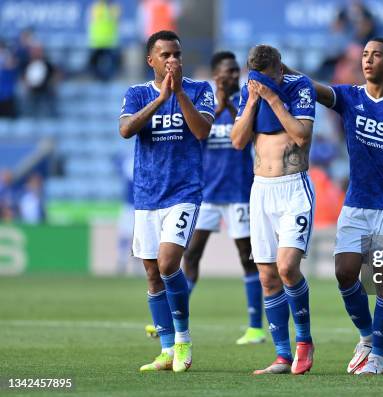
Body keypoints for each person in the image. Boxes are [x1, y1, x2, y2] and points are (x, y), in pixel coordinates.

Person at [286, 37, 383, 375]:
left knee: (382, 281)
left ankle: (378, 356)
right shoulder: (351, 97)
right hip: (355, 205)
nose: (368, 60)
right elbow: (314, 88)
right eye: (365, 54)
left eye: (376, 55)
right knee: (344, 273)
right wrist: (283, 71)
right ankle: (367, 336)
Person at [119, 30, 214, 372]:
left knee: (168, 261)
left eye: (177, 54)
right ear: (151, 61)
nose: (173, 60)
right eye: (165, 55)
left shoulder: (200, 89)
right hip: (147, 195)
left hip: (183, 192)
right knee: (152, 273)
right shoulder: (135, 94)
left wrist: (178, 96)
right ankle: (165, 349)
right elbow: (127, 130)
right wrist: (160, 99)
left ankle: (183, 339)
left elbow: (202, 132)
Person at [230, 45, 316, 375]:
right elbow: (238, 141)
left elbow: (301, 136)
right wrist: (253, 99)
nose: (262, 82)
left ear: (280, 68)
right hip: (261, 190)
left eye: (267, 77)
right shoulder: (248, 93)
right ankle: (282, 355)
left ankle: (304, 342)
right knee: (267, 276)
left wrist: (272, 98)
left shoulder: (299, 87)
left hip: (293, 187)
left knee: (287, 267)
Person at [181, 51, 265, 345]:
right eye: (227, 71)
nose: (233, 75)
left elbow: (247, 137)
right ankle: (173, 318)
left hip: (239, 191)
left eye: (235, 71)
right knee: (191, 254)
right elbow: (197, 134)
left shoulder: (248, 100)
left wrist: (231, 106)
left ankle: (255, 327)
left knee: (247, 257)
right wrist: (220, 106)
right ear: (216, 74)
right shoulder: (202, 103)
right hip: (206, 193)